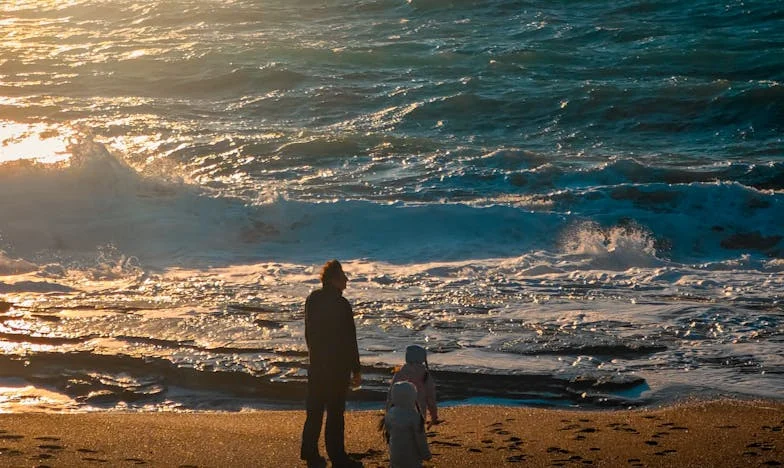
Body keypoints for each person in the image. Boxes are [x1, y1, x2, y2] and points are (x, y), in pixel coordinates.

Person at [300, 260, 363, 468]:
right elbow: (349, 339)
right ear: (335, 279)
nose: (346, 280)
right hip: (337, 367)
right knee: (335, 413)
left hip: (317, 363)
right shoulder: (341, 304)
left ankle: (310, 453)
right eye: (343, 276)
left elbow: (309, 333)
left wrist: (314, 356)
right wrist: (356, 368)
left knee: (315, 411)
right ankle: (337, 456)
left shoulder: (313, 299)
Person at [387, 345, 439, 427]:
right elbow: (430, 397)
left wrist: (388, 412)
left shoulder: (400, 372)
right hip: (418, 412)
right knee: (417, 434)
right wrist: (434, 415)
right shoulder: (425, 374)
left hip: (398, 413)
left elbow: (391, 394)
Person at [384, 381, 432, 468]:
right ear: (412, 396)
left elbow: (388, 431)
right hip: (412, 459)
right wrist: (426, 455)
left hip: (395, 457)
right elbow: (421, 439)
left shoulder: (390, 413)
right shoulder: (414, 416)